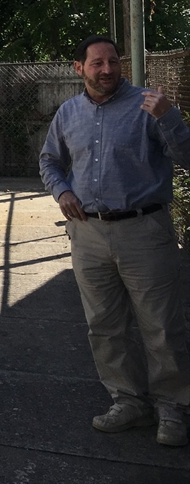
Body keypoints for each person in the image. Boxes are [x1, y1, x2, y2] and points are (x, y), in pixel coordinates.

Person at [40, 35, 190, 447]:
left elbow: (187, 156)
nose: (107, 69)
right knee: (104, 326)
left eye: (113, 61)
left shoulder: (149, 106)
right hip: (88, 233)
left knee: (161, 325)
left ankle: (172, 408)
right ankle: (128, 402)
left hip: (144, 232)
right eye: (97, 63)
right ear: (79, 69)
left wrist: (169, 118)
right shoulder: (68, 112)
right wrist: (62, 191)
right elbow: (50, 160)